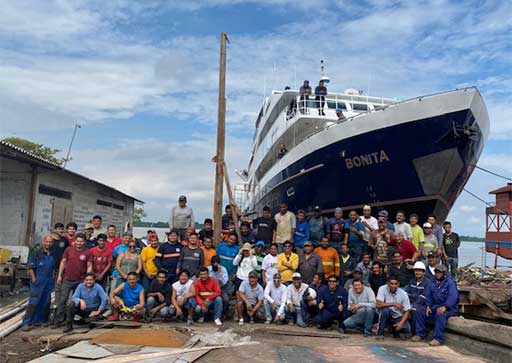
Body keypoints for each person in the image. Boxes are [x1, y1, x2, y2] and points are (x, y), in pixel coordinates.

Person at [412, 265, 459, 346]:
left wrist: (445, 307)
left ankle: (438, 338)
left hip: (449, 308)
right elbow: (428, 295)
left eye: (439, 273)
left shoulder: (450, 283)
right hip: (435, 306)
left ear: (444, 273)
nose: (437, 274)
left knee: (440, 315)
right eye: (436, 272)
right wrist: (428, 306)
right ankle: (420, 334)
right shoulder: (433, 283)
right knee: (420, 311)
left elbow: (453, 297)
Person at [55, 233, 92, 325]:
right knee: (63, 299)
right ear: (75, 241)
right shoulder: (68, 250)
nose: (79, 243)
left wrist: (87, 279)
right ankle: (59, 319)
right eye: (78, 241)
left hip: (80, 280)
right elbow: (63, 262)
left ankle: (73, 319)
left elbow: (89, 266)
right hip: (67, 279)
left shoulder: (88, 252)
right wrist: (60, 275)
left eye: (81, 241)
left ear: (84, 242)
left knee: (77, 300)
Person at [22, 235, 55, 331]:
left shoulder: (52, 253)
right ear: (43, 242)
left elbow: (53, 268)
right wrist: (34, 279)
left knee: (45, 302)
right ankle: (27, 322)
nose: (48, 244)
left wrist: (52, 279)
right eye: (47, 242)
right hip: (38, 280)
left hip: (48, 281)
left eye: (50, 242)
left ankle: (40, 321)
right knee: (34, 302)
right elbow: (31, 267)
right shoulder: (36, 252)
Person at [405, 261, 431, 335]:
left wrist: (413, 305)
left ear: (423, 272)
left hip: (422, 304)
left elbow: (423, 297)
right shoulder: (412, 281)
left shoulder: (427, 283)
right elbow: (407, 293)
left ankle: (418, 333)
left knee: (416, 311)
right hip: (412, 303)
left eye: (420, 271)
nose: (417, 272)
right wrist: (408, 304)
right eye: (416, 270)